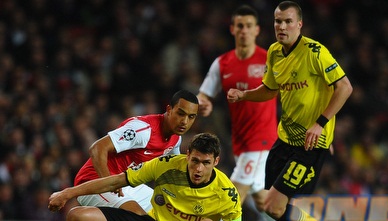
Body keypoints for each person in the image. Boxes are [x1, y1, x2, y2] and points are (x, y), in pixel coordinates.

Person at [227, 1, 353, 220]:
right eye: (278, 21)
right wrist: (244, 95)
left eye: (288, 21)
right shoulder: (274, 52)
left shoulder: (315, 52)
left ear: (299, 24)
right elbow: (270, 89)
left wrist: (320, 124)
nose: (282, 27)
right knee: (269, 207)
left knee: (275, 207)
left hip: (310, 145)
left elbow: (345, 87)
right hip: (284, 140)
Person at [48, 133, 242, 221]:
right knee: (77, 216)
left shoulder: (227, 195)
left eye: (206, 163)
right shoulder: (165, 166)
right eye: (195, 161)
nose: (198, 169)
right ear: (188, 154)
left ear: (216, 162)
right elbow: (116, 180)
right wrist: (67, 193)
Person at [197, 5, 278, 217]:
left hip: (262, 140)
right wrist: (203, 103)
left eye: (249, 26)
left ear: (257, 30)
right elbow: (203, 95)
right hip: (240, 141)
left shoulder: (269, 61)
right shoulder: (222, 63)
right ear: (232, 29)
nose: (244, 30)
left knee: (232, 195)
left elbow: (292, 94)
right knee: (264, 203)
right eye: (240, 26)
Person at [73, 89, 199, 214]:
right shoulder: (143, 130)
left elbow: (175, 172)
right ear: (169, 110)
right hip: (95, 181)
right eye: (181, 114)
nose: (185, 121)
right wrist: (110, 183)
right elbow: (97, 148)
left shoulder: (176, 138)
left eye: (191, 117)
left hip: (127, 184)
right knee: (139, 217)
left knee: (170, 212)